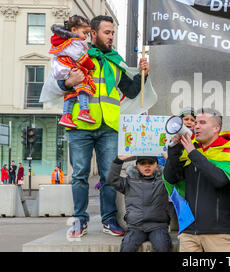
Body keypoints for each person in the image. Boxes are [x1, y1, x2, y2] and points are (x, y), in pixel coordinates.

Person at [57, 15, 151, 238]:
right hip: (80, 123)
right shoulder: (77, 53)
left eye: (112, 33)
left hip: (109, 126)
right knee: (80, 174)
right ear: (93, 33)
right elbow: (59, 79)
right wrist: (68, 82)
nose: (111, 37)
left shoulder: (115, 61)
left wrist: (143, 74)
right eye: (107, 32)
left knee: (109, 176)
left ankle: (109, 219)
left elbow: (131, 91)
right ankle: (79, 220)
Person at [163, 108, 230, 252]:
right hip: (189, 233)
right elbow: (171, 178)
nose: (196, 126)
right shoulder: (190, 152)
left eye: (202, 122)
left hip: (219, 234)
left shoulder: (229, 153)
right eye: (196, 122)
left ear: (216, 128)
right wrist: (174, 149)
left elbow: (220, 181)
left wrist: (193, 153)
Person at [107, 155, 172, 252]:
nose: (147, 166)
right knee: (127, 248)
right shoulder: (129, 182)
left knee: (163, 247)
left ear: (157, 166)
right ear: (136, 166)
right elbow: (112, 179)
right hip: (135, 227)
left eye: (150, 163)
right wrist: (118, 160)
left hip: (158, 226)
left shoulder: (164, 181)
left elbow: (178, 176)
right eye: (142, 163)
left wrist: (171, 159)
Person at [49, 15, 97, 129]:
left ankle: (66, 116)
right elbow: (80, 57)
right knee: (83, 86)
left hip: (63, 68)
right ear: (74, 30)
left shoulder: (65, 41)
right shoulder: (74, 42)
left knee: (71, 93)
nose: (86, 36)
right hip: (68, 67)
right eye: (84, 33)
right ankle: (84, 111)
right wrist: (91, 66)